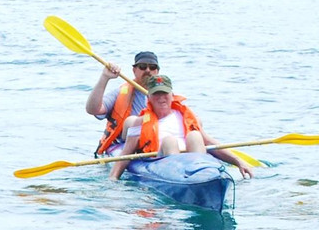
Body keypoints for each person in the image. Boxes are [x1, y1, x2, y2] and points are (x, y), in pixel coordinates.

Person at [109, 75, 255, 180]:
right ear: (149, 98)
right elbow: (126, 153)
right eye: (156, 94)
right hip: (164, 164)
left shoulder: (186, 116)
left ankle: (205, 176)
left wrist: (238, 162)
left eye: (164, 93)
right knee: (170, 141)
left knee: (195, 136)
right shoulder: (139, 123)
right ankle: (183, 179)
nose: (161, 98)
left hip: (195, 164)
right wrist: (113, 178)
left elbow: (209, 143)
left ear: (172, 95)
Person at [86, 51, 162, 156]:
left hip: (155, 140)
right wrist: (105, 77)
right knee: (133, 122)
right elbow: (93, 109)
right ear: (134, 70)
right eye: (143, 66)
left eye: (152, 67)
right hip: (126, 143)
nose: (148, 70)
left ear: (157, 71)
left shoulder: (165, 96)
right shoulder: (121, 93)